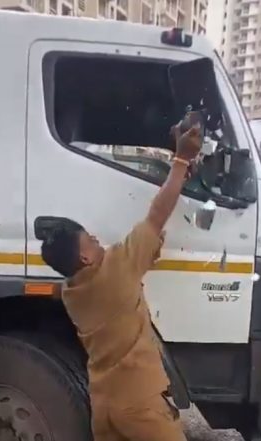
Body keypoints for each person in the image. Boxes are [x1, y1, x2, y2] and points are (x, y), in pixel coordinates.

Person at [39, 121, 203, 441]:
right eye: (90, 239)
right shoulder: (117, 270)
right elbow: (157, 214)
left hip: (104, 407)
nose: (97, 239)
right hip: (140, 408)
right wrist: (181, 159)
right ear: (85, 258)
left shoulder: (72, 291)